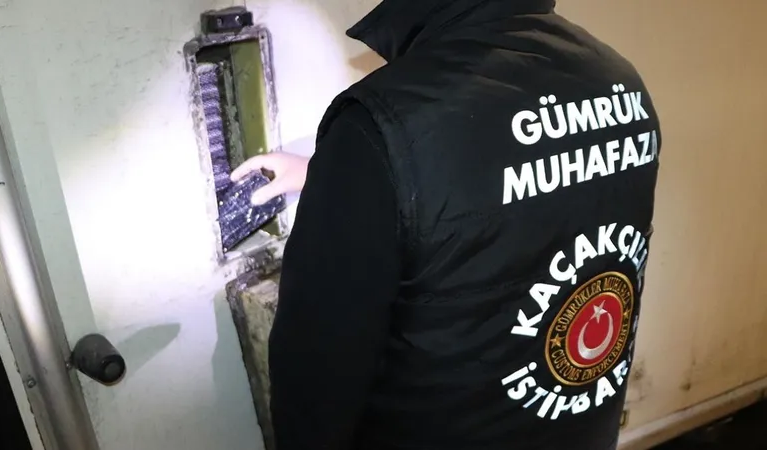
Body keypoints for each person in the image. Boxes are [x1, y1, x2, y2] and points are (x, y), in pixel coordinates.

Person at [232, 0, 661, 449]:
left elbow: (316, 381)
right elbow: (519, 190)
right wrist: (341, 179)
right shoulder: (619, 81)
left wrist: (356, 169)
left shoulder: (381, 125)